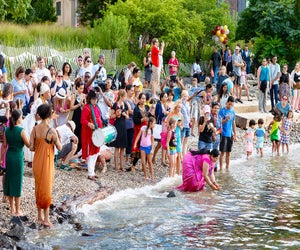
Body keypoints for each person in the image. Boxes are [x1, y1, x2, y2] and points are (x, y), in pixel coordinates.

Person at [29, 104, 62, 227]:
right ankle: (46, 219)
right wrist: (58, 137)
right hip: (47, 162)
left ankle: (39, 216)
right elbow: (59, 147)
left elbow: (31, 147)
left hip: (37, 162)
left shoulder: (34, 129)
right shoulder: (52, 131)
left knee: (38, 187)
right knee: (47, 188)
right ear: (49, 115)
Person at [0, 109, 30, 215]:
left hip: (9, 157)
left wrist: (0, 159)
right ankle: (17, 210)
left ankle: (12, 208)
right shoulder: (21, 131)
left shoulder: (7, 130)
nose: (22, 118)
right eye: (21, 116)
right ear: (18, 119)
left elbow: (4, 146)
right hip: (17, 158)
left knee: (9, 181)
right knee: (17, 183)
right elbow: (29, 145)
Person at [81, 90, 103, 181]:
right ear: (90, 99)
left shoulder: (96, 107)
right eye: (94, 99)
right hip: (89, 133)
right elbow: (82, 120)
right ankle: (90, 173)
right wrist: (89, 124)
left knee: (96, 153)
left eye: (96, 99)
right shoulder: (86, 108)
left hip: (96, 132)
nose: (95, 100)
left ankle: (92, 172)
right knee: (91, 153)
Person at [110, 89, 129, 171]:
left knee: (122, 147)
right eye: (124, 96)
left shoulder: (125, 105)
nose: (125, 97)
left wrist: (124, 114)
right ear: (121, 96)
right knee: (117, 147)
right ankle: (116, 166)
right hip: (117, 125)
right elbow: (111, 116)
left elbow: (128, 117)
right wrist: (117, 114)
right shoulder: (115, 104)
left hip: (123, 125)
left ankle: (122, 166)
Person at [131, 93, 149, 173]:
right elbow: (135, 120)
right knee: (138, 147)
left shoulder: (146, 107)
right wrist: (142, 119)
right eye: (142, 98)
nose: (143, 100)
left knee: (146, 146)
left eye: (144, 98)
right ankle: (133, 165)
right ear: (139, 99)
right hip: (138, 129)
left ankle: (143, 165)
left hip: (146, 129)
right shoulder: (136, 109)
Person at [133, 116, 156, 181]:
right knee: (143, 162)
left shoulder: (152, 131)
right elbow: (138, 136)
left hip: (149, 147)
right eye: (154, 123)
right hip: (142, 147)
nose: (154, 125)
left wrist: (152, 149)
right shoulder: (143, 128)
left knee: (149, 162)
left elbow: (152, 141)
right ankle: (146, 176)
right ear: (150, 123)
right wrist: (135, 143)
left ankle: (152, 176)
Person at [218, 96, 237, 169]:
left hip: (230, 134)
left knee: (228, 152)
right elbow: (219, 123)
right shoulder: (222, 111)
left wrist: (235, 133)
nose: (230, 106)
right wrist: (226, 120)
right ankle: (221, 167)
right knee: (222, 152)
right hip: (223, 133)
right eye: (229, 104)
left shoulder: (232, 111)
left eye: (231, 104)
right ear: (226, 103)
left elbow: (233, 123)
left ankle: (227, 167)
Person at [152, 92, 169, 165]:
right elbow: (158, 115)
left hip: (164, 125)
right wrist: (165, 113)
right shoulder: (159, 105)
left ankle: (162, 159)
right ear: (161, 98)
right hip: (160, 125)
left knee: (163, 143)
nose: (166, 98)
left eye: (166, 96)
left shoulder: (164, 105)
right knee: (159, 143)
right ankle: (154, 157)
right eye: (165, 96)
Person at [70, 79, 86, 155]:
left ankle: (79, 152)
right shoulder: (74, 95)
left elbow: (85, 106)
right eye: (80, 88)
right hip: (76, 116)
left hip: (82, 116)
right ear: (77, 87)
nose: (81, 90)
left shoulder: (84, 95)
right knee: (75, 132)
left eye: (83, 88)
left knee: (81, 133)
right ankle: (73, 151)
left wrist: (83, 105)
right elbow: (71, 107)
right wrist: (78, 105)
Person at [125, 85, 135, 165]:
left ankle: (129, 158)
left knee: (131, 141)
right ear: (127, 90)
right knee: (127, 141)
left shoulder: (133, 100)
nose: (132, 92)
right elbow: (130, 112)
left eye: (133, 90)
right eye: (131, 90)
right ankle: (126, 159)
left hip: (132, 122)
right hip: (127, 122)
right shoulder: (125, 100)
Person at [180, 90, 191, 156]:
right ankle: (180, 155)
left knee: (186, 141)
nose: (185, 97)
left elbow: (188, 114)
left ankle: (184, 154)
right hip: (183, 124)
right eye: (184, 96)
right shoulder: (180, 104)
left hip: (188, 124)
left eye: (186, 96)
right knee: (181, 140)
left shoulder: (187, 104)